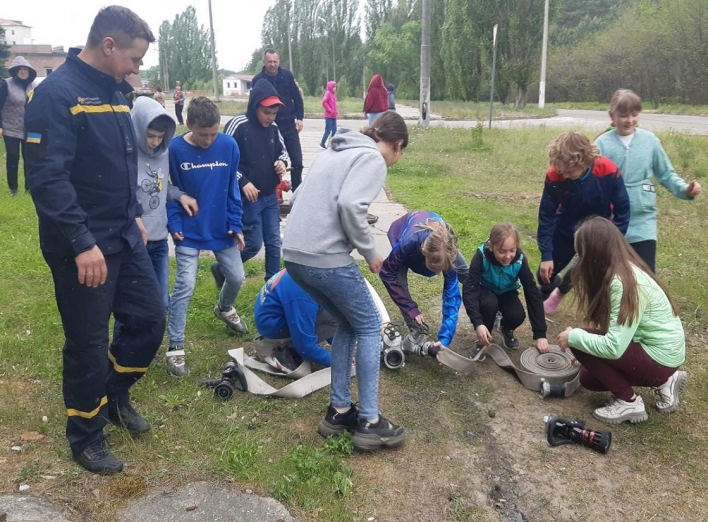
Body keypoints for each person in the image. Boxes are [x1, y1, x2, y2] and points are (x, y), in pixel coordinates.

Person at [24, 6, 164, 475]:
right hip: (81, 244)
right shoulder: (55, 95)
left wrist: (134, 215)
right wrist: (83, 243)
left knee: (148, 321)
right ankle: (86, 433)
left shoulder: (115, 91)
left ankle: (111, 396)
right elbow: (47, 179)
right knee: (86, 341)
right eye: (134, 59)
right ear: (108, 45)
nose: (136, 69)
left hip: (123, 232)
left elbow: (118, 161)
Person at [283, 111, 408, 452]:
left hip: (294, 257)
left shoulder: (334, 151)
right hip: (326, 259)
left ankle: (339, 410)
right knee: (369, 326)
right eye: (399, 155)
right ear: (396, 146)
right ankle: (369, 420)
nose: (394, 162)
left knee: (346, 324)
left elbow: (299, 197)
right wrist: (370, 253)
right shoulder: (372, 157)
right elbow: (351, 206)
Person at [558, 216, 687, 425]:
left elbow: (614, 348)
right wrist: (586, 347)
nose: (579, 259)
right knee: (587, 378)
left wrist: (576, 338)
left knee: (579, 338)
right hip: (662, 356)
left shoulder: (622, 282)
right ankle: (665, 381)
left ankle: (628, 402)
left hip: (660, 356)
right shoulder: (621, 269)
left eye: (581, 253)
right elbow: (616, 328)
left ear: (594, 253)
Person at [166, 96, 247, 377]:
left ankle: (224, 308)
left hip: (221, 228)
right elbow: (171, 189)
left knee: (237, 277)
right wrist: (174, 221)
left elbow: (231, 190)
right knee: (184, 287)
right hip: (188, 231)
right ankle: (175, 348)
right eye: (203, 134)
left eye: (214, 133)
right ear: (189, 125)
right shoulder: (174, 149)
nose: (209, 140)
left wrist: (236, 223)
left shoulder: (228, 145)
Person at [594, 89, 702, 273]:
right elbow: (590, 181)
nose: (629, 120)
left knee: (646, 278)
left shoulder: (650, 141)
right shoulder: (601, 144)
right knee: (611, 278)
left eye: (634, 115)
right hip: (611, 223)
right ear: (612, 115)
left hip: (643, 222)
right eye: (624, 115)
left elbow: (667, 175)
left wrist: (686, 189)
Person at [538, 131, 630, 314]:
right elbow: (546, 215)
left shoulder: (608, 170)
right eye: (560, 170)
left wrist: (613, 239)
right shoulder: (556, 174)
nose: (563, 174)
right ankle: (549, 289)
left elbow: (623, 209)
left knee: (586, 270)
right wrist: (546, 255)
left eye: (569, 171)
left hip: (597, 232)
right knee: (544, 276)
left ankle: (596, 310)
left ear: (585, 162)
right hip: (566, 228)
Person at [130, 96, 197, 312]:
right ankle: (123, 345)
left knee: (161, 302)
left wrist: (180, 196)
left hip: (159, 240)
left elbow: (162, 186)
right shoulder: (126, 155)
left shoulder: (164, 153)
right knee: (133, 302)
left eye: (160, 136)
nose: (155, 142)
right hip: (135, 240)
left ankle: (152, 343)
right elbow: (122, 194)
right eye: (150, 136)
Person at [220, 79, 290, 282]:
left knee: (274, 243)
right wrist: (243, 182)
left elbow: (284, 153)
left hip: (269, 197)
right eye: (266, 112)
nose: (270, 117)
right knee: (252, 244)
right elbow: (225, 160)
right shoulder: (238, 124)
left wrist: (281, 162)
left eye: (274, 113)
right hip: (247, 199)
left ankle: (272, 285)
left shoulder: (274, 128)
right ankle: (224, 268)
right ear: (255, 106)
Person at [380, 210, 468, 352]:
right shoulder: (407, 245)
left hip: (439, 244)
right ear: (423, 254)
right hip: (403, 232)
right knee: (399, 281)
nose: (438, 273)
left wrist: (445, 338)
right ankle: (416, 328)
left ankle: (485, 307)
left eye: (441, 269)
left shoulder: (448, 252)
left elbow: (451, 297)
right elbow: (387, 272)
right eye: (435, 269)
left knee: (465, 272)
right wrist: (410, 308)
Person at [462, 222, 549, 357]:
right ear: (491, 247)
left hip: (507, 291)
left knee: (517, 315)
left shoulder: (520, 260)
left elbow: (532, 292)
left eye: (512, 250)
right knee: (489, 305)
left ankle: (506, 329)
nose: (507, 256)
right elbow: (469, 288)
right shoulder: (481, 256)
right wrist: (477, 322)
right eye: (502, 251)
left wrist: (540, 333)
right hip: (485, 289)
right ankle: (484, 337)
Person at [254, 268, 336, 371]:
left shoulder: (303, 269)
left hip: (271, 321)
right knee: (338, 315)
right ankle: (285, 347)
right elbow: (305, 347)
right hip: (274, 329)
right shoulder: (305, 294)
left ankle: (340, 343)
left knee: (334, 311)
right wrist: (336, 360)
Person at [253, 49, 305, 191]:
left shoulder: (287, 76)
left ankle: (297, 192)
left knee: (297, 163)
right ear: (264, 62)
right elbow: (253, 105)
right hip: (268, 126)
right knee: (270, 164)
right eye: (269, 61)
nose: (272, 64)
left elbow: (297, 98)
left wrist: (299, 118)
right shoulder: (258, 80)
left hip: (288, 124)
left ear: (279, 62)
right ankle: (273, 193)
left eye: (275, 61)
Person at [0, 56, 37, 196]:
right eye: (20, 69)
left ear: (29, 71)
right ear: (15, 71)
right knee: (13, 156)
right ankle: (13, 188)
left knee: (30, 158)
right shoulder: (7, 84)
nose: (23, 71)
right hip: (10, 127)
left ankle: (29, 187)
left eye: (25, 69)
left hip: (30, 129)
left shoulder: (34, 86)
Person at [320, 81, 338, 149]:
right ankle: (322, 142)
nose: (335, 88)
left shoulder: (333, 94)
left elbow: (334, 105)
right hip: (329, 116)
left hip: (333, 116)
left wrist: (336, 111)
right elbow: (324, 102)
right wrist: (330, 110)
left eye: (336, 86)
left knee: (334, 130)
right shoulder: (328, 93)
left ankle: (332, 143)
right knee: (328, 130)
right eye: (334, 86)